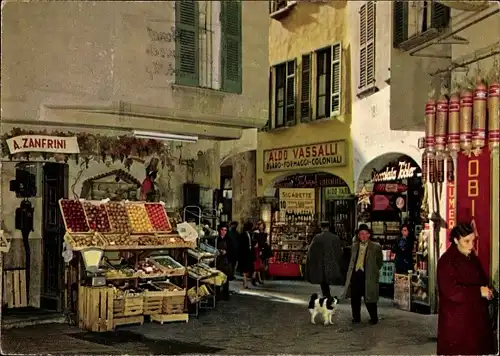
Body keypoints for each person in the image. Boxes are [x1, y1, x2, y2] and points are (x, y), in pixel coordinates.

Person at [436, 222, 495, 355]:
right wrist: (479, 291)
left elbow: (482, 280)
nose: (471, 245)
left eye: (472, 241)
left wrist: (487, 291)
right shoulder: (446, 261)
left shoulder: (472, 258)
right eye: (466, 241)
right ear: (456, 240)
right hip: (458, 325)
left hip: (476, 322)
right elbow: (451, 291)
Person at [343, 224, 383, 325]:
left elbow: (380, 262)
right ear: (358, 235)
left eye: (365, 234)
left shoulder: (376, 247)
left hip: (368, 275)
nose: (363, 236)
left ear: (369, 235)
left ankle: (374, 318)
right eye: (361, 234)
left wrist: (373, 270)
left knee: (370, 298)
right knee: (355, 298)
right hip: (356, 274)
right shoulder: (354, 246)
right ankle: (356, 318)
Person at [304, 221, 343, 299]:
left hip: (321, 263)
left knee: (323, 281)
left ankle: (326, 295)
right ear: (329, 227)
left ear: (321, 228)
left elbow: (311, 251)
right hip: (332, 262)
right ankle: (328, 295)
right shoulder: (335, 237)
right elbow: (339, 251)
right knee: (329, 279)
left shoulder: (317, 237)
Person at [215, 224, 233, 300]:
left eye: (225, 230)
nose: (223, 232)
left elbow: (232, 250)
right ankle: (217, 295)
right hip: (217, 260)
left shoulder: (229, 240)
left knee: (225, 278)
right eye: (222, 230)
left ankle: (225, 294)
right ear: (220, 230)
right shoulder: (216, 239)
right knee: (217, 277)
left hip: (225, 261)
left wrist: (226, 252)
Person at [238, 221, 255, 289]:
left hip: (249, 253)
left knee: (249, 268)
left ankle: (245, 281)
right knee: (245, 268)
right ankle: (245, 283)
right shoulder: (242, 235)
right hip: (244, 254)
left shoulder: (250, 234)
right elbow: (241, 245)